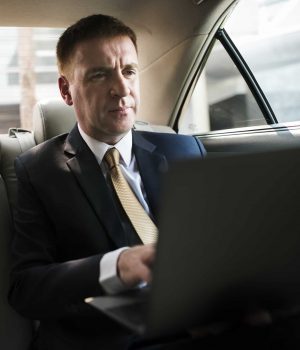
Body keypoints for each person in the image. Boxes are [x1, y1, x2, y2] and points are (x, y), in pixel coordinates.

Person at [8, 14, 206, 350]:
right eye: (100, 75)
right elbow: (27, 289)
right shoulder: (37, 170)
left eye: (129, 71)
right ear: (66, 90)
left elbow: (217, 246)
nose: (122, 88)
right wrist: (117, 265)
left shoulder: (184, 149)